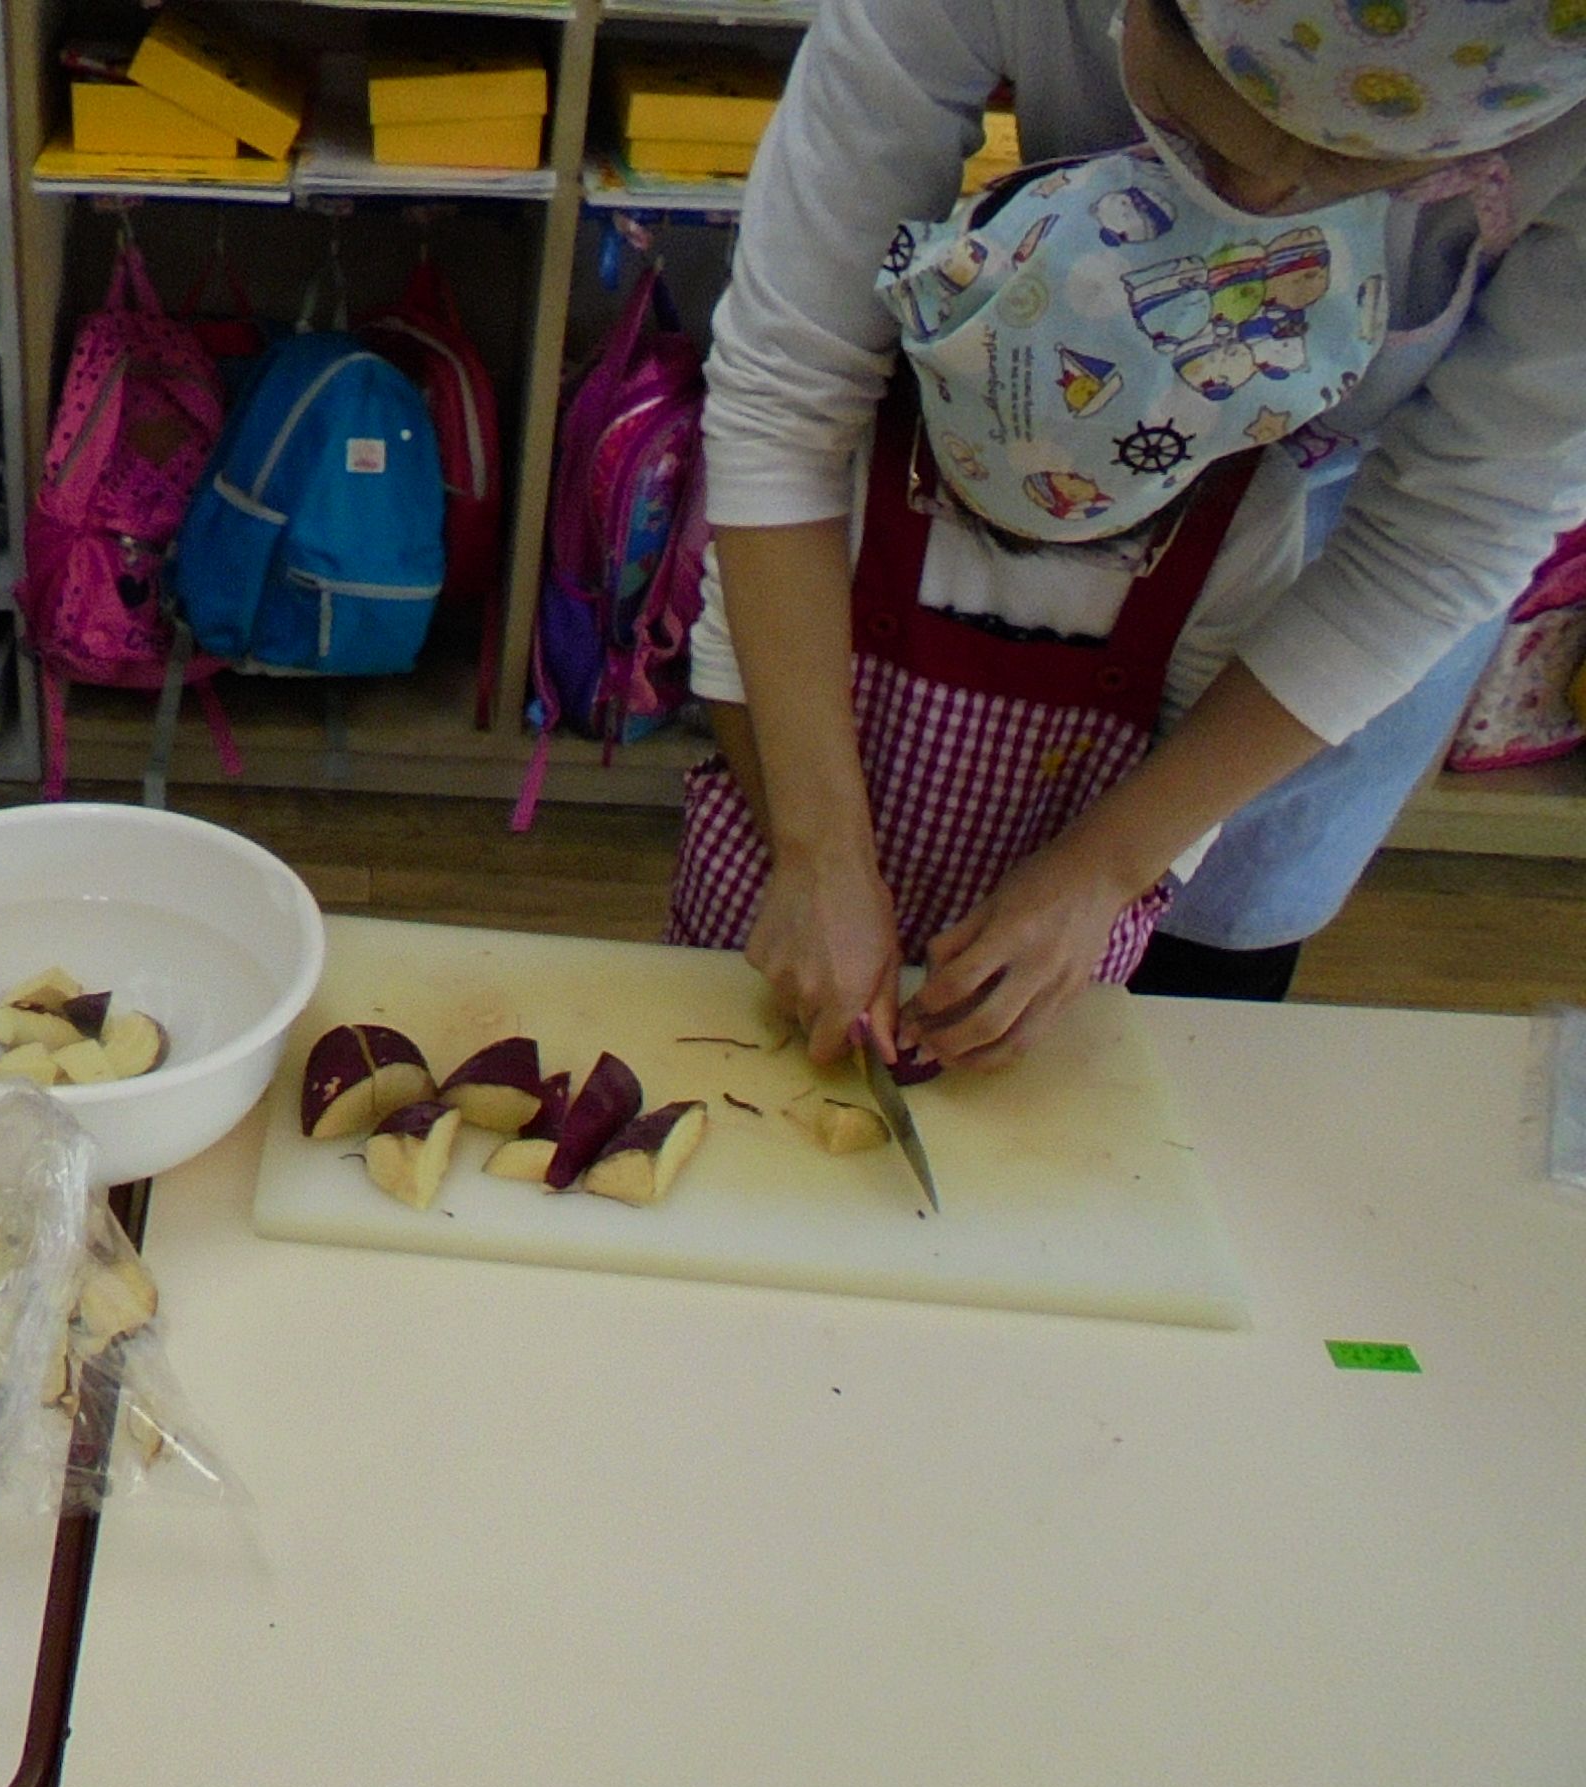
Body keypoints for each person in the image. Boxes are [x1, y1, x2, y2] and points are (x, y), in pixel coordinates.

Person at [676, 0, 1586, 1070]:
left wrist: (1109, 873)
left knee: (1184, 1034)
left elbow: (1451, 530)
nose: (1251, 208)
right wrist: (818, 847)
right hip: (986, 396)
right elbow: (790, 393)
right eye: (1205, 135)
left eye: (1355, 180)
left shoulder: (1251, 536)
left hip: (1329, 564)